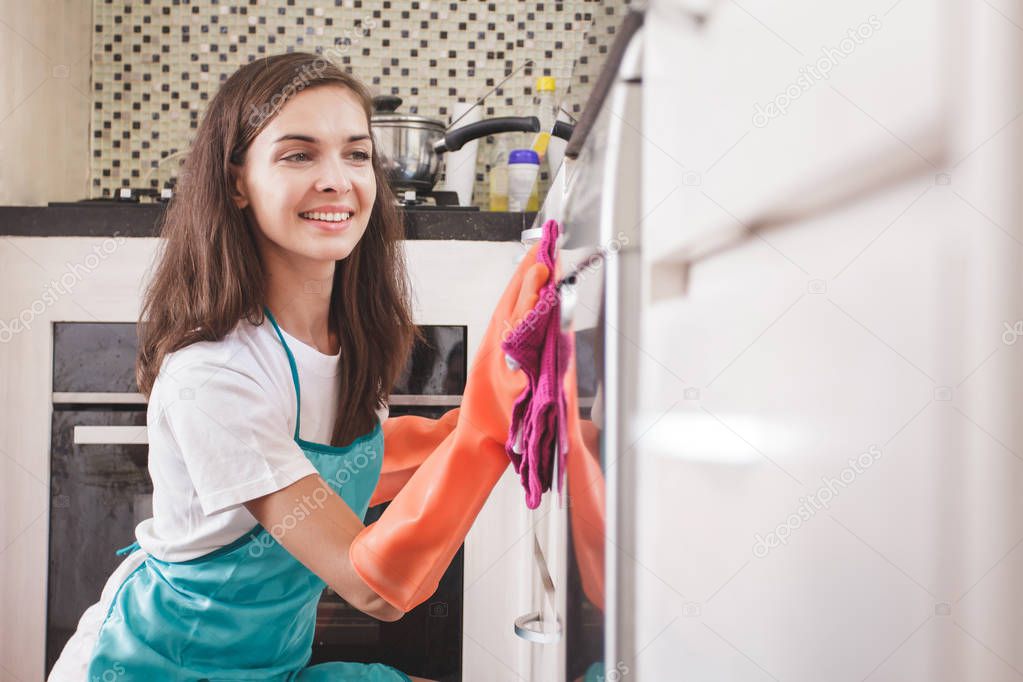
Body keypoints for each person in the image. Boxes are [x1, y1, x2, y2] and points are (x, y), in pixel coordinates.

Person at [47, 52, 550, 681]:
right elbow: (377, 589)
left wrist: (505, 418)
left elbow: (341, 474)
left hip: (270, 669)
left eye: (357, 153)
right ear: (237, 182)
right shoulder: (215, 377)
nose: (338, 180)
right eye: (298, 154)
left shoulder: (345, 339)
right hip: (156, 667)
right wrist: (485, 429)